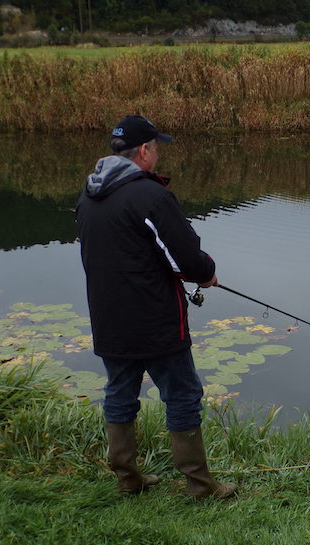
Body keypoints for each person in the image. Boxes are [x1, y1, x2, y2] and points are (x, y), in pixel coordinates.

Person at [75, 114, 237, 499]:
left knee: (119, 394)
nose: (158, 154)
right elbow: (186, 260)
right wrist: (207, 273)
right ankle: (200, 485)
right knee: (182, 394)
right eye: (156, 147)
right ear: (145, 151)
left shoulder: (88, 196)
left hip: (108, 318)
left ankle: (127, 479)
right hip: (155, 320)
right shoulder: (151, 197)